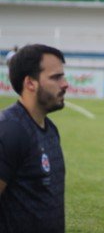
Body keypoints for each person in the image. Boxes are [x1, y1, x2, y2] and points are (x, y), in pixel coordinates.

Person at [0, 44, 69, 233]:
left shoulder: (50, 129)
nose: (65, 84)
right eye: (56, 77)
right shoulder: (9, 131)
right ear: (30, 83)